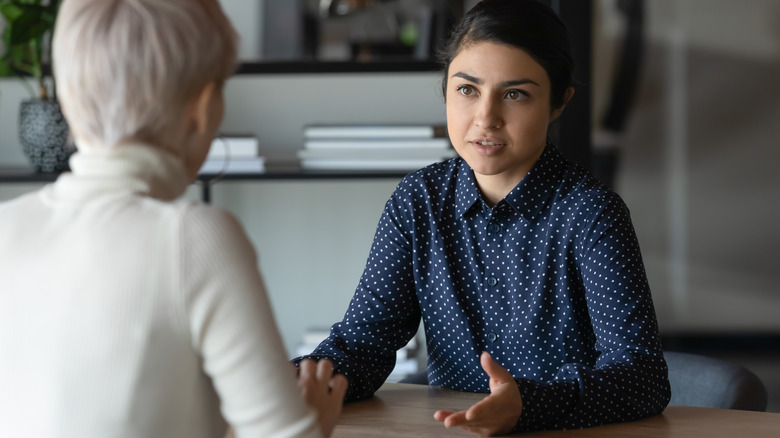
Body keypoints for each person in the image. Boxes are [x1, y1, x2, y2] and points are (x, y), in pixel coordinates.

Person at [294, 0, 671, 435]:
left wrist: (527, 405)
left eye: (515, 94)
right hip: (452, 429)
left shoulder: (590, 214)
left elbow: (641, 378)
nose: (485, 118)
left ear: (559, 102)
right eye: (467, 89)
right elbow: (362, 347)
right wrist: (286, 381)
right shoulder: (418, 201)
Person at [0, 1, 346, 437]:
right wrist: (315, 419)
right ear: (203, 106)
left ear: (66, 98)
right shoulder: (194, 236)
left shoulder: (6, 226)